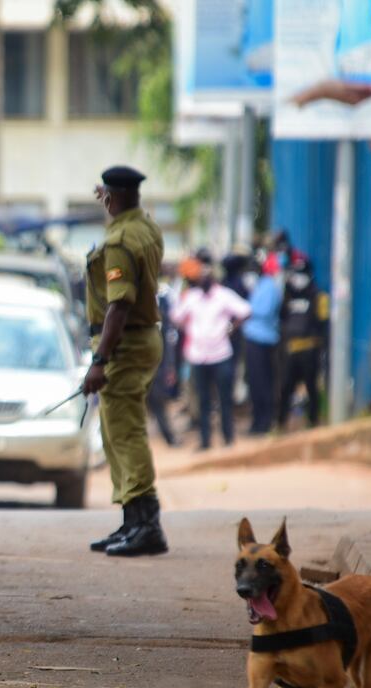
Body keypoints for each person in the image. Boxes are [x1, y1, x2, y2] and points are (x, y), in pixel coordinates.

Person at [83, 166, 168, 558]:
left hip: (124, 342)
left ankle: (147, 524)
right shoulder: (146, 227)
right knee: (118, 428)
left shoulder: (119, 239)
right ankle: (133, 521)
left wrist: (99, 360)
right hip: (144, 337)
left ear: (112, 198)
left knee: (125, 432)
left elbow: (119, 303)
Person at [170, 258, 252, 451]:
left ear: (213, 278)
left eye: (207, 276)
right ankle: (205, 441)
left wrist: (232, 327)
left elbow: (246, 311)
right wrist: (189, 328)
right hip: (198, 356)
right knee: (203, 400)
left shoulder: (224, 295)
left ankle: (228, 437)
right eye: (202, 276)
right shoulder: (191, 297)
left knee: (224, 398)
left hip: (220, 354)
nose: (204, 279)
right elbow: (175, 316)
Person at [277, 256, 329, 431]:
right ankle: (281, 422)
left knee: (311, 387)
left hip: (310, 350)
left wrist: (322, 350)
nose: (297, 278)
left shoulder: (318, 295)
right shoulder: (288, 295)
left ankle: (313, 422)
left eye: (301, 274)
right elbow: (282, 318)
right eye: (295, 274)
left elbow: (323, 323)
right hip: (290, 350)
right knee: (285, 387)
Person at [242, 254, 283, 435]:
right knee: (254, 382)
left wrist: (247, 310)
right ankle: (257, 421)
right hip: (252, 339)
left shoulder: (269, 287)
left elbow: (263, 311)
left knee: (263, 382)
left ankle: (265, 422)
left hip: (263, 340)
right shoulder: (259, 286)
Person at [146, 267, 180, 447]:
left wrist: (170, 365)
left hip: (158, 362)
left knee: (158, 401)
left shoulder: (163, 299)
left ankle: (169, 438)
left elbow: (168, 334)